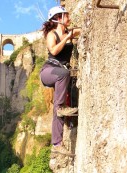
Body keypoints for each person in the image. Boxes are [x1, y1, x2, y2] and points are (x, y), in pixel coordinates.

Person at [40, 6, 80, 156]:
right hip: (48, 71)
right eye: (66, 16)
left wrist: (72, 34)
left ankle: (57, 143)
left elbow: (82, 31)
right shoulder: (52, 34)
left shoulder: (70, 32)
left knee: (59, 109)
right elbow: (54, 51)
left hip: (61, 74)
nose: (69, 18)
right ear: (58, 18)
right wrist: (67, 38)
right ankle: (62, 107)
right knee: (63, 73)